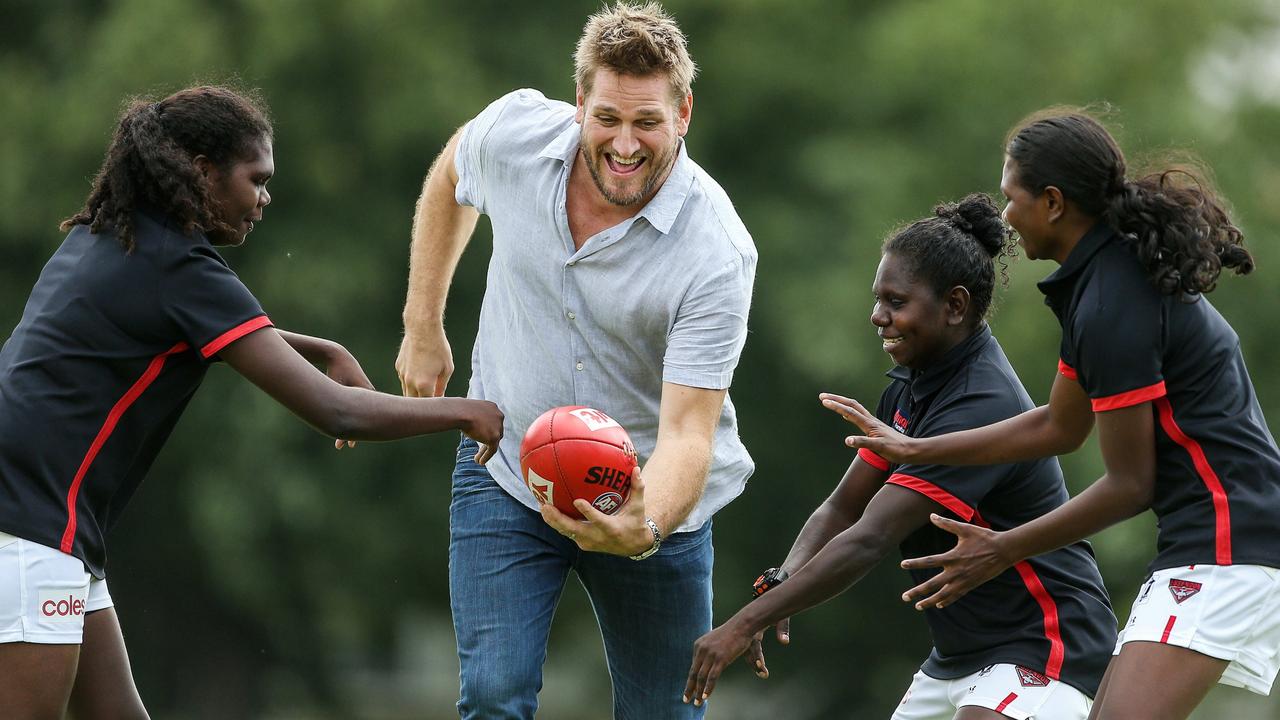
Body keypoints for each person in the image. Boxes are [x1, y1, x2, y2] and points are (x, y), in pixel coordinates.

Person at [0, 85, 504, 719]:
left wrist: (321, 346)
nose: (266, 199)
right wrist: (470, 411)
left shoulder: (115, 237)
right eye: (256, 179)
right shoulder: (181, 270)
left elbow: (214, 331)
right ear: (204, 173)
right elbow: (337, 411)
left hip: (41, 524)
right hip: (24, 531)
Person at [829, 109, 1280, 720]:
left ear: (1052, 202)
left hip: (1230, 537)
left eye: (1012, 197)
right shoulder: (1096, 282)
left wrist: (1004, 547)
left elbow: (1130, 484)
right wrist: (916, 449)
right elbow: (1059, 427)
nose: (1005, 215)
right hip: (1207, 541)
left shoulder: (1111, 300)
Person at [393, 2, 756, 717]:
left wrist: (643, 526)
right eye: (609, 118)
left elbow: (689, 432)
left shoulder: (716, 251)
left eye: (648, 122)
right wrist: (422, 322)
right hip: (506, 470)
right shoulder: (516, 135)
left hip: (649, 500)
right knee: (494, 697)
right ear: (580, 100)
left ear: (684, 113)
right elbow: (450, 175)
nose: (626, 144)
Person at [683, 195, 1117, 719]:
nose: (877, 316)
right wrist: (783, 582)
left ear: (955, 306)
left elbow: (870, 538)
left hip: (1044, 642)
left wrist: (745, 623)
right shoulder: (911, 388)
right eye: (877, 299)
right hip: (960, 653)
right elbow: (843, 509)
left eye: (895, 302)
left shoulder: (981, 401)